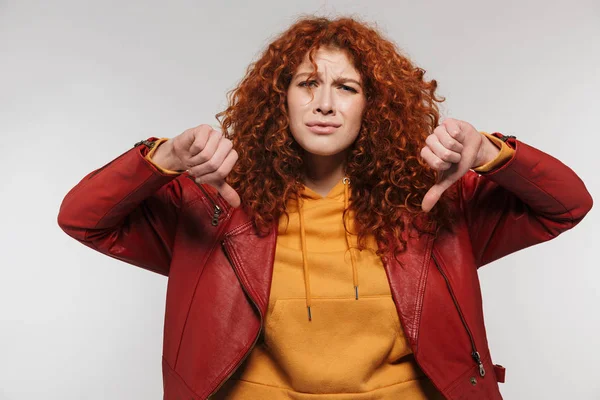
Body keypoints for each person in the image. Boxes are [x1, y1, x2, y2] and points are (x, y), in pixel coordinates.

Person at [57, 15, 593, 400]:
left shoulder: (432, 200)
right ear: (280, 98)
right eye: (307, 83)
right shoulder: (215, 201)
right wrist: (164, 158)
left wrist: (491, 153)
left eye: (346, 87)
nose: (325, 103)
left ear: (372, 105)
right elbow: (83, 217)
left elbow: (565, 205)